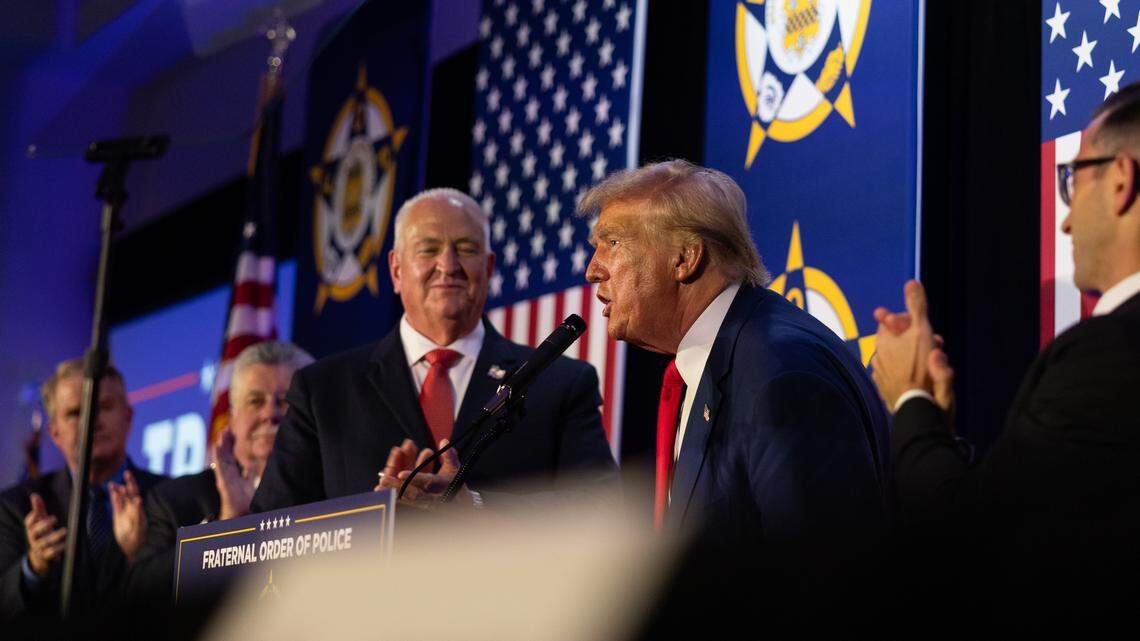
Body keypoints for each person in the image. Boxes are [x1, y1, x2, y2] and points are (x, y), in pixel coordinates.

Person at [872, 84, 1140, 612]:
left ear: (1120, 180)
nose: (1063, 219)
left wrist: (911, 400)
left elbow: (970, 547)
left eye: (1072, 179)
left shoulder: (1110, 355)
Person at [580, 159, 891, 546]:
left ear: (684, 258)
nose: (593, 270)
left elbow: (824, 571)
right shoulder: (716, 363)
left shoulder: (780, 373)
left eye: (612, 243)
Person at [251, 188, 616, 512]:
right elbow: (271, 531)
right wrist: (371, 515)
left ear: (488, 268)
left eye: (466, 249)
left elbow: (600, 511)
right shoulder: (322, 391)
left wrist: (476, 507)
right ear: (395, 270)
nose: (448, 265)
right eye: (428, 249)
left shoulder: (560, 383)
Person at [124, 341, 313, 601]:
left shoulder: (336, 487)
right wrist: (225, 525)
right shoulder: (175, 500)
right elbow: (142, 590)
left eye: (285, 401)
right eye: (255, 401)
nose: (270, 413)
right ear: (232, 417)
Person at [0, 359, 164, 619]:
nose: (92, 422)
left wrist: (141, 555)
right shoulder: (15, 507)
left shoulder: (168, 496)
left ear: (128, 417)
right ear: (54, 433)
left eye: (104, 407)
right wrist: (34, 566)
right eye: (76, 413)